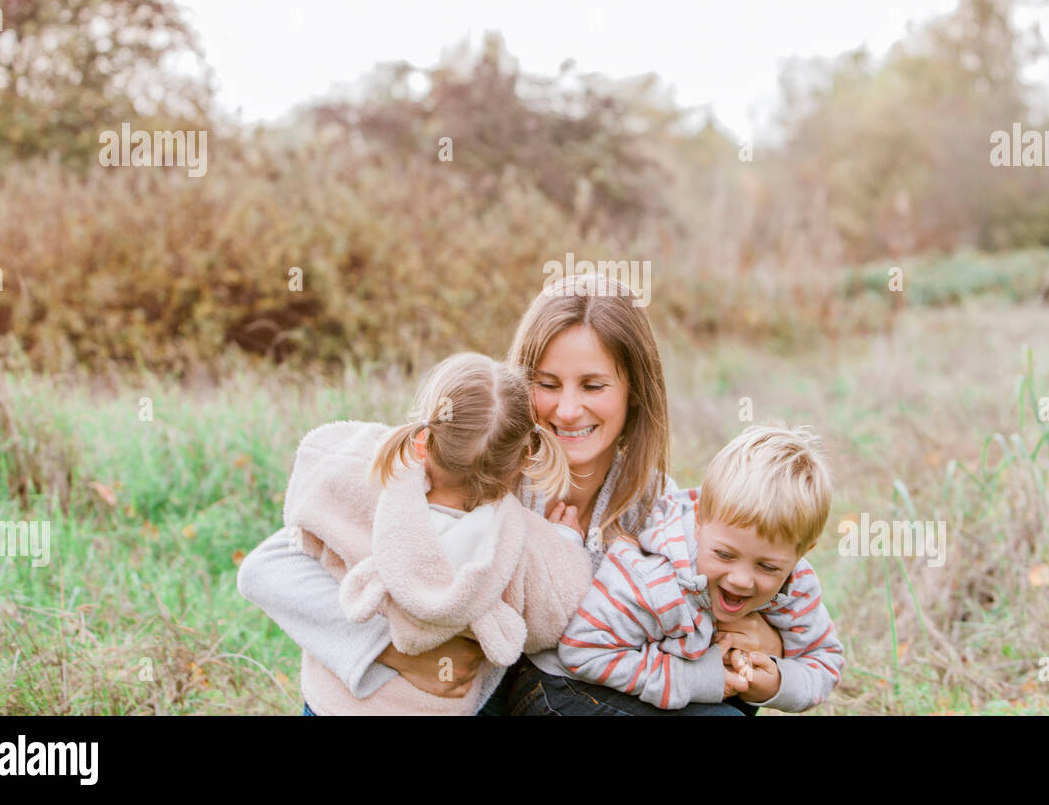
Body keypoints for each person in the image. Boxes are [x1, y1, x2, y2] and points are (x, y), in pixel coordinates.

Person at [237, 274, 786, 715]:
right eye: (547, 385)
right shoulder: (471, 467)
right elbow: (270, 565)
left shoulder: (656, 508)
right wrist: (391, 651)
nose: (567, 410)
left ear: (635, 394)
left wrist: (760, 644)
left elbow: (744, 591)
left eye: (593, 386)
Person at [283, 353, 593, 714]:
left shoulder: (364, 488)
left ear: (423, 439)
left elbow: (308, 497)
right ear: (524, 458)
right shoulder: (524, 544)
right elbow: (553, 620)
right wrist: (567, 541)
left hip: (335, 702)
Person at [557, 424, 844, 712]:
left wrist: (778, 682)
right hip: (570, 691)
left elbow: (823, 660)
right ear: (699, 521)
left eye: (767, 567)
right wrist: (699, 678)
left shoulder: (796, 583)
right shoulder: (655, 580)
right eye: (724, 554)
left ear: (801, 554)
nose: (741, 580)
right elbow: (582, 650)